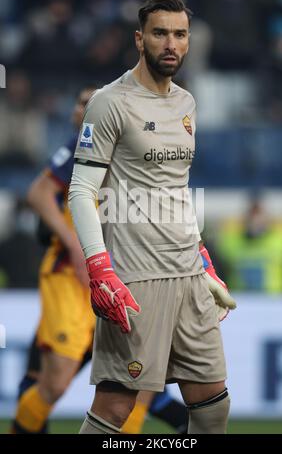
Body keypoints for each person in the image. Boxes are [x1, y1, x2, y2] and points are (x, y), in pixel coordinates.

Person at [68, 0, 236, 435]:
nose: (171, 44)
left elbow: (174, 190)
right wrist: (99, 268)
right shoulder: (110, 101)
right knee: (116, 410)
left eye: (180, 35)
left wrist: (203, 259)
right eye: (160, 33)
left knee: (214, 405)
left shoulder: (186, 104)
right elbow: (81, 190)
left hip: (188, 275)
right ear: (139, 39)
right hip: (135, 278)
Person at [11, 86, 189, 434]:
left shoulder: (134, 154)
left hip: (122, 280)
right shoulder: (77, 147)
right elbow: (38, 194)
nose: (84, 110)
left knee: (140, 386)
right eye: (80, 103)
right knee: (55, 382)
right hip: (72, 280)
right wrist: (76, 247)